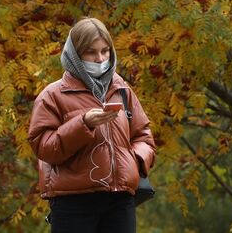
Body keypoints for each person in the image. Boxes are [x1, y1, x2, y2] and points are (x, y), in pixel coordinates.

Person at [28, 17, 156, 233]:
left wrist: (133, 162)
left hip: (119, 200)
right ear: (76, 54)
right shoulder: (52, 95)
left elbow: (144, 136)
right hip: (73, 203)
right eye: (91, 52)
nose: (100, 59)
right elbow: (43, 147)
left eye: (105, 51)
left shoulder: (122, 89)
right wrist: (83, 124)